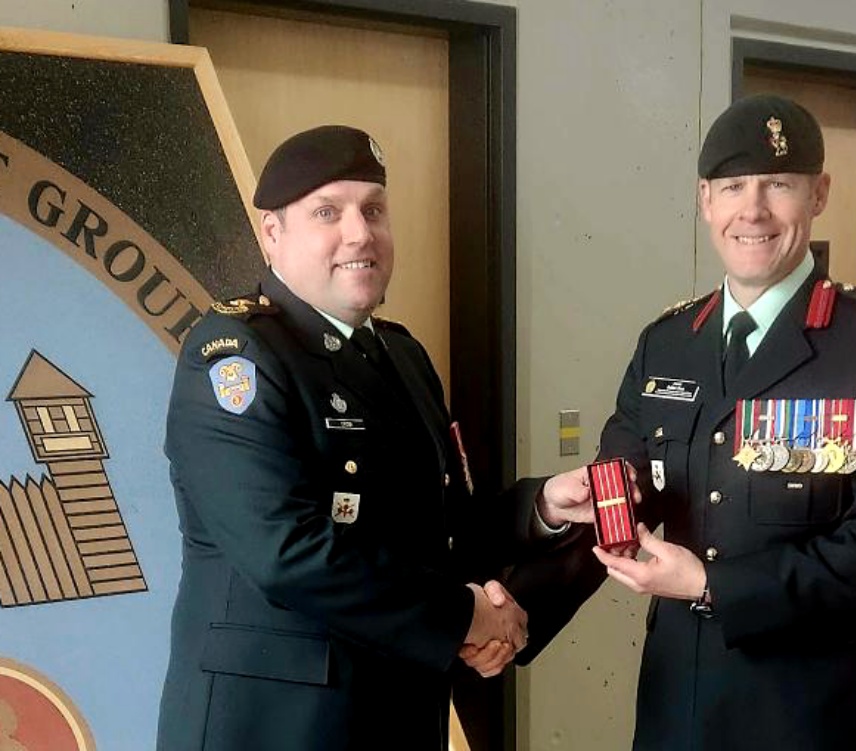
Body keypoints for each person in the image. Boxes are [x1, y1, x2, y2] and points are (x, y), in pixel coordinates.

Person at [510, 95, 856, 750]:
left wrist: (713, 584)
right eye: (734, 186)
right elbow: (615, 509)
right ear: (704, 200)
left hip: (813, 708)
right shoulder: (667, 343)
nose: (754, 210)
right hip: (679, 701)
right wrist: (515, 611)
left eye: (779, 184)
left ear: (819, 193)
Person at [156, 125, 586, 751]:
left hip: (399, 709)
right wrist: (467, 617)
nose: (360, 233)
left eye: (374, 210)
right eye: (327, 211)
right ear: (271, 234)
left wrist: (542, 508)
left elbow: (440, 529)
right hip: (275, 724)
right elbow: (287, 552)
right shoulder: (236, 357)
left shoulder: (402, 356)